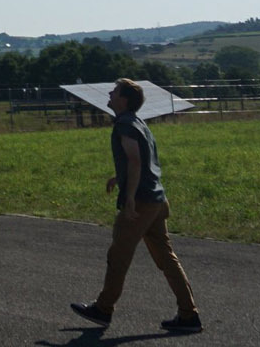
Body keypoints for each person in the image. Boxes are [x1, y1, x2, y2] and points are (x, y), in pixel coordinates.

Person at [70, 78, 201, 334]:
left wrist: (129, 197)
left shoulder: (124, 124)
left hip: (140, 202)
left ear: (124, 99)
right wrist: (119, 176)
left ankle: (103, 309)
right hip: (156, 199)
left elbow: (135, 160)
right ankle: (189, 315)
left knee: (118, 256)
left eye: (115, 91)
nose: (109, 93)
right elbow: (139, 159)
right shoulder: (138, 123)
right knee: (166, 258)